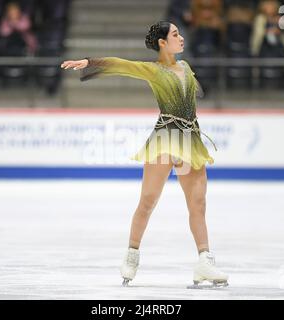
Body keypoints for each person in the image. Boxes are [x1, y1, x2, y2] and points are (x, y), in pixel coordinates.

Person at [60, 21, 228, 288]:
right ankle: (132, 254)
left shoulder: (185, 67)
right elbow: (120, 64)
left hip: (188, 139)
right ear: (162, 43)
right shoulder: (153, 70)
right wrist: (89, 62)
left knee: (198, 203)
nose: (181, 37)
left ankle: (204, 262)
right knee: (148, 201)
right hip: (166, 139)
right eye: (175, 34)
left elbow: (194, 94)